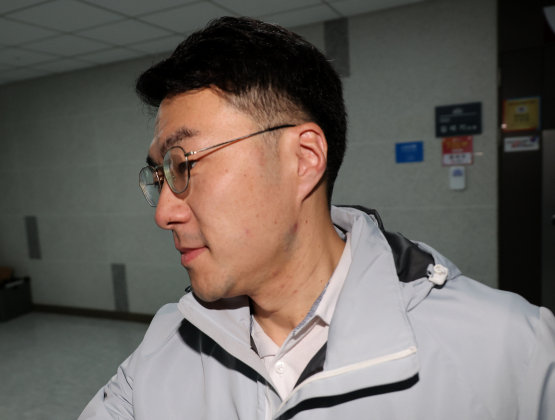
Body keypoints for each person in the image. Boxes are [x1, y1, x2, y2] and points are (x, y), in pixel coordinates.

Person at [79, 17, 555, 420]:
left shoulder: (511, 351)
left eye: (183, 164)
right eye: (160, 176)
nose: (164, 212)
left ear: (303, 159)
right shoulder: (162, 348)